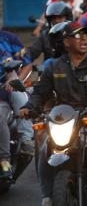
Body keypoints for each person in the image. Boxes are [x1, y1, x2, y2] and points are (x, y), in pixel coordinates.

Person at [19, 21, 87, 206]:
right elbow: (40, 93)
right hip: (63, 120)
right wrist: (28, 107)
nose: (84, 39)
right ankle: (47, 197)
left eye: (85, 35)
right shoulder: (53, 67)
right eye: (77, 36)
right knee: (44, 152)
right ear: (66, 42)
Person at [0, 33, 34, 180]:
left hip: (5, 91)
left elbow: (27, 63)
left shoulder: (10, 39)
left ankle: (5, 160)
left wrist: (14, 80)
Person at [22, 1, 73, 79]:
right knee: (41, 68)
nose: (57, 20)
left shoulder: (74, 34)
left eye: (60, 17)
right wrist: (25, 55)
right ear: (50, 20)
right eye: (54, 18)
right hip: (49, 75)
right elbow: (32, 51)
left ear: (67, 18)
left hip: (72, 74)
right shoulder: (45, 35)